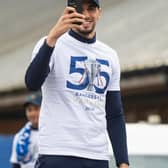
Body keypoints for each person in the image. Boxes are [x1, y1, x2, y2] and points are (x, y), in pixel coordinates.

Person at [25, 0, 129, 168]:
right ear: (69, 11)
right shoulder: (51, 44)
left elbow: (114, 113)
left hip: (97, 156)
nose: (86, 15)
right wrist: (52, 37)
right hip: (57, 152)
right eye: (80, 9)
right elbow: (32, 83)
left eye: (91, 9)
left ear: (99, 13)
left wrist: (123, 161)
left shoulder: (110, 55)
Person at [10, 92, 42, 168]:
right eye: (29, 110)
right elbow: (16, 164)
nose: (33, 113)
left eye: (36, 109)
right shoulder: (19, 136)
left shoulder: (53, 133)